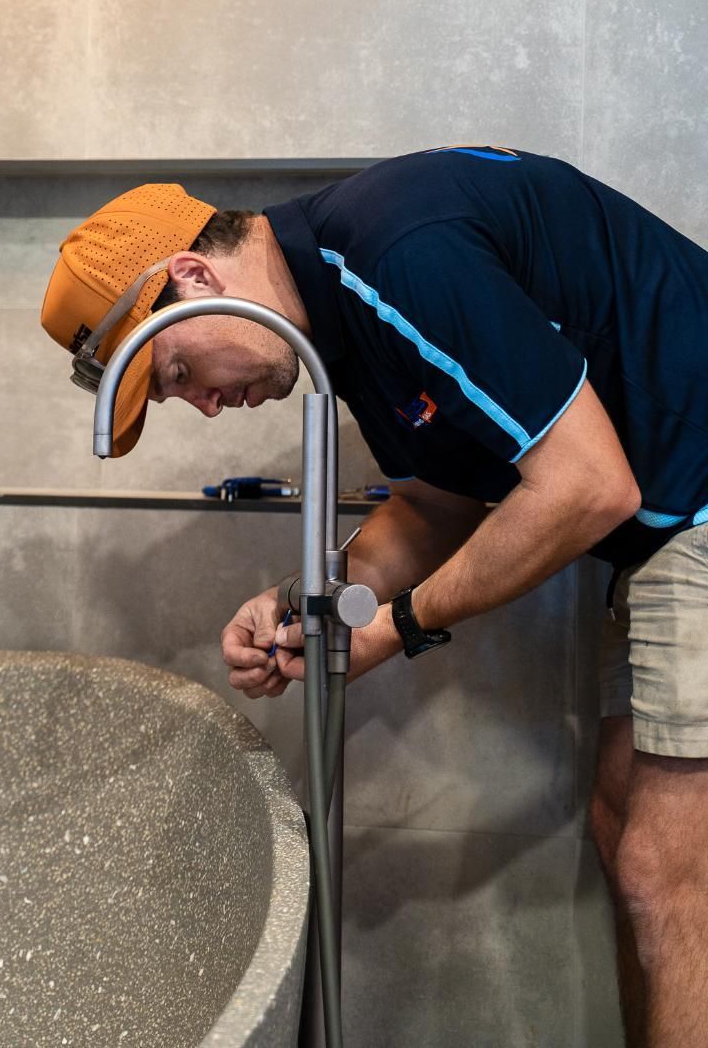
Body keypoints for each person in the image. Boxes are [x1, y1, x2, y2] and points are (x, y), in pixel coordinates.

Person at [41, 149, 708, 1048]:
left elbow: (587, 488)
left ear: (194, 277)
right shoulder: (342, 316)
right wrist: (300, 599)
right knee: (624, 829)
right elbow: (436, 505)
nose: (201, 406)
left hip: (687, 506)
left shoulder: (399, 250)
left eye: (172, 375)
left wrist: (399, 625)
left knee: (668, 873)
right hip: (666, 526)